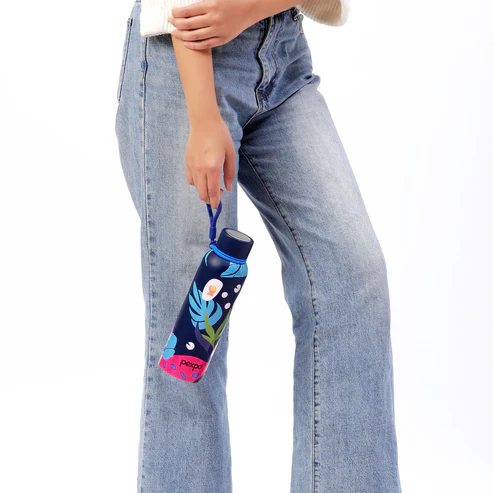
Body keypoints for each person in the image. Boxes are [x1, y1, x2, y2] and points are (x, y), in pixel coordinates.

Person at [114, 0, 403, 491]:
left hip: (283, 56)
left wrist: (250, 9)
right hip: (187, 63)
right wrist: (202, 113)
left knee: (353, 277)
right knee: (190, 340)